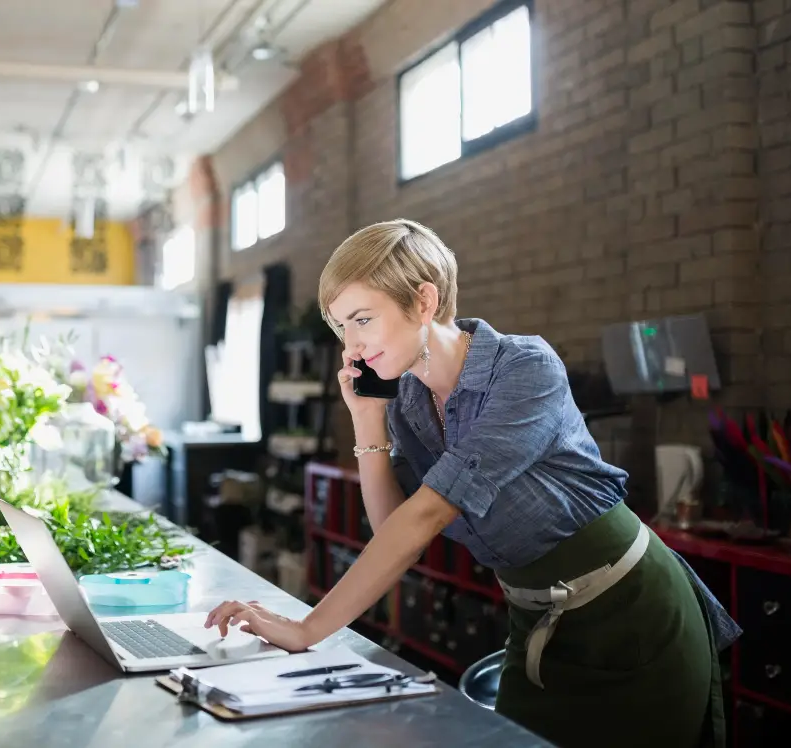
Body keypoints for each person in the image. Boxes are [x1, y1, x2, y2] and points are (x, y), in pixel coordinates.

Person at [205, 219, 741, 748]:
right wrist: (367, 420)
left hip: (631, 614)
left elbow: (427, 516)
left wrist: (307, 629)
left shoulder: (525, 368)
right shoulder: (410, 401)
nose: (352, 346)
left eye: (363, 319)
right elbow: (394, 533)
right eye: (342, 326)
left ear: (423, 301)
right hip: (536, 622)